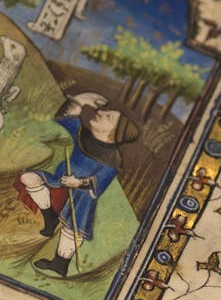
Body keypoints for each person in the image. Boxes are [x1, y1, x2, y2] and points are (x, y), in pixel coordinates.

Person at [17, 91, 140, 277]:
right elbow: (63, 119)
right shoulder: (85, 135)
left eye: (107, 117)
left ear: (112, 133)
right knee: (28, 177)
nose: (100, 113)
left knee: (74, 226)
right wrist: (80, 101)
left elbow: (98, 185)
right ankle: (49, 216)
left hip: (82, 196)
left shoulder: (113, 161)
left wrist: (79, 182)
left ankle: (61, 263)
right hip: (59, 179)